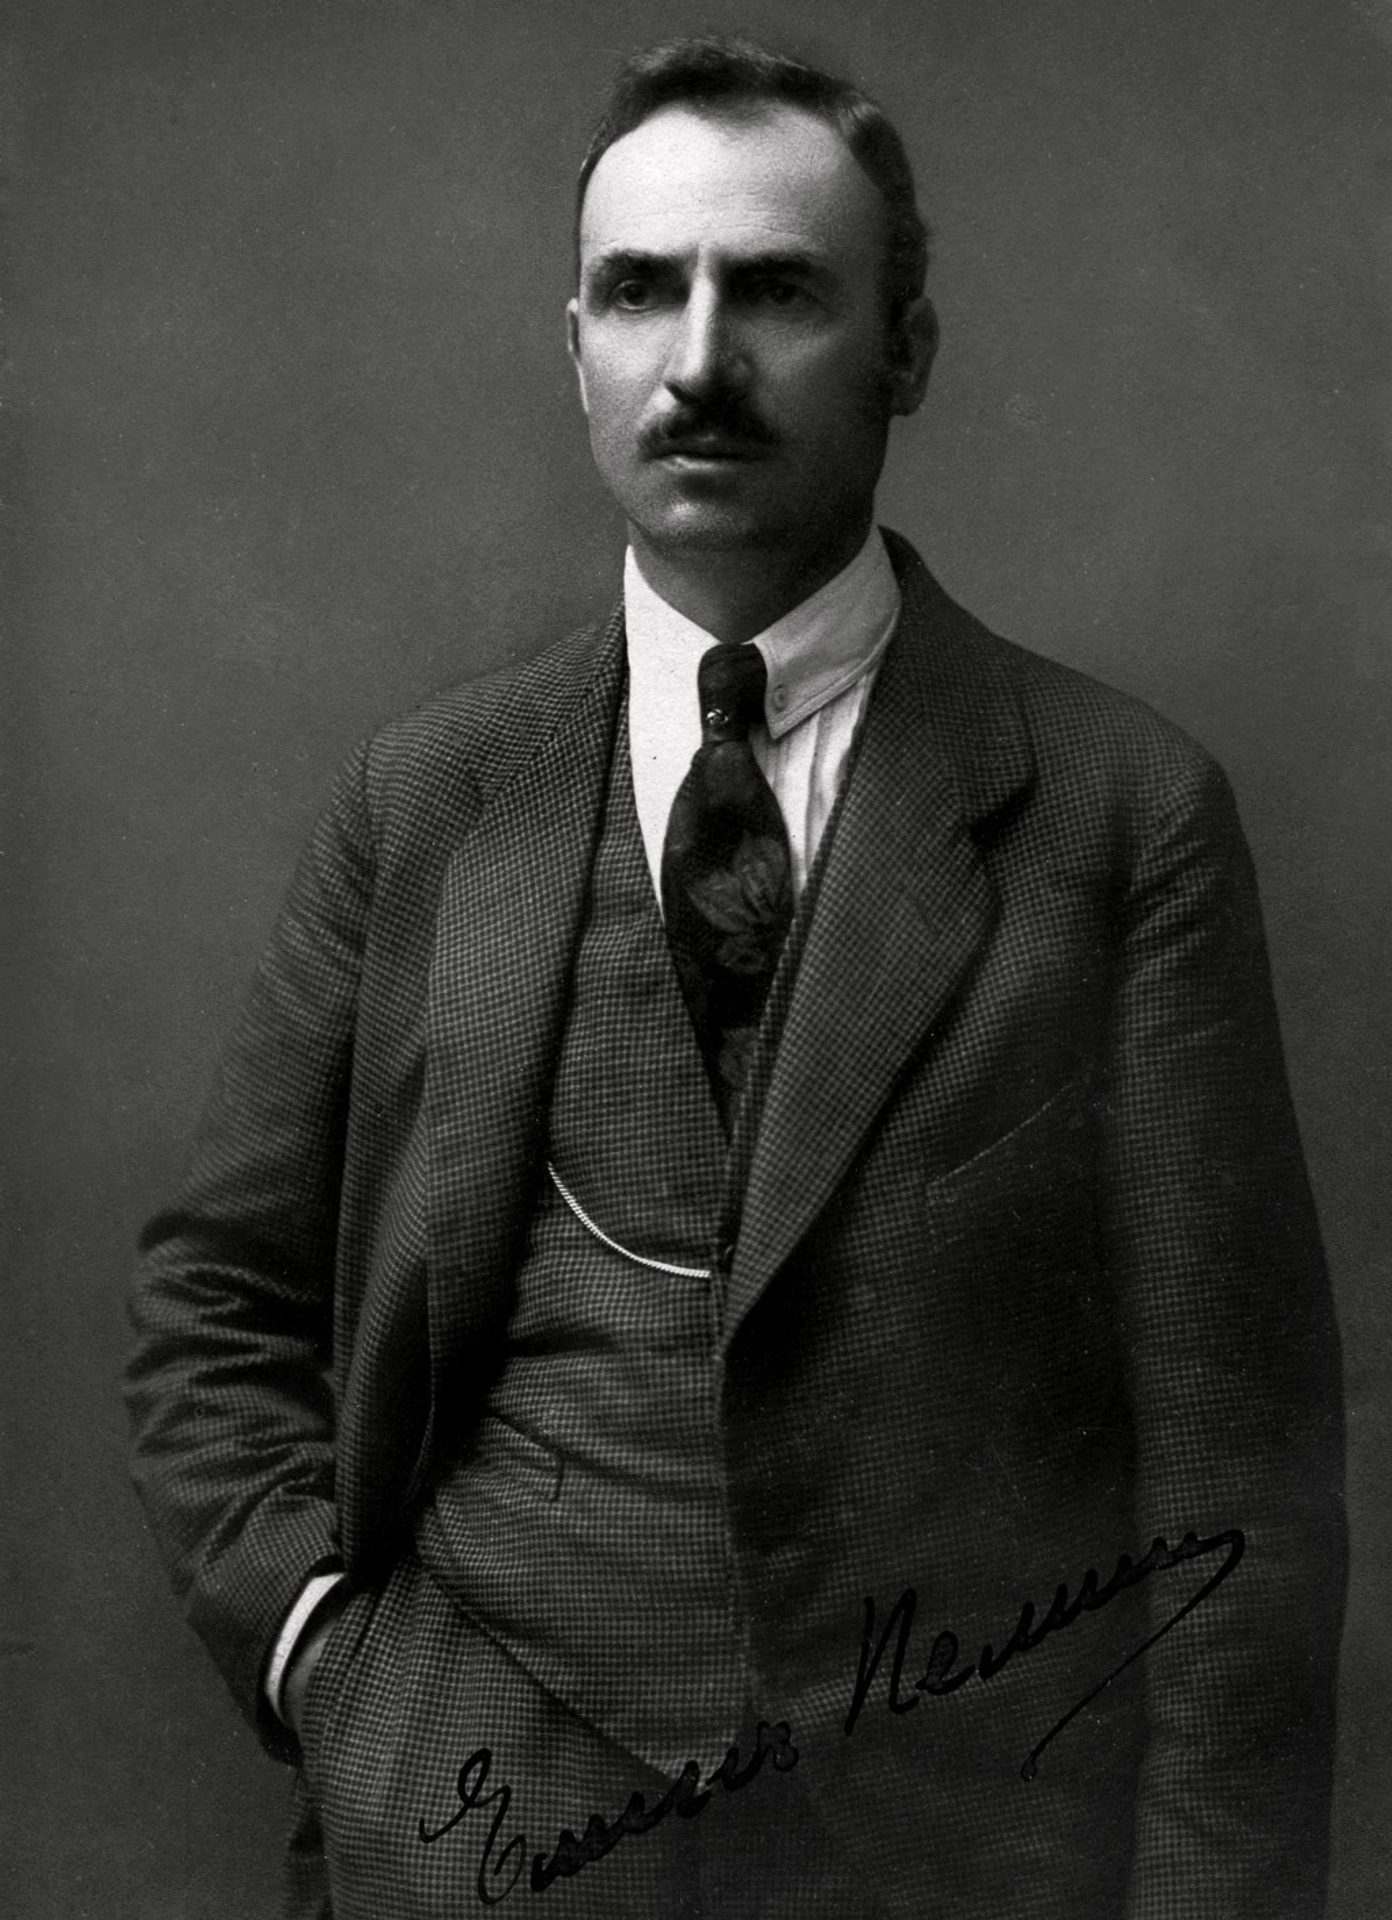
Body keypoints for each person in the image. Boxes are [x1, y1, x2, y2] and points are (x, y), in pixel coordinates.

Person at [125, 33, 1346, 1920]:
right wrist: (334, 1667)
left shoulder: (1120, 815)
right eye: (640, 291)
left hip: (960, 1860)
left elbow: (1236, 1480)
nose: (699, 362)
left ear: (905, 351)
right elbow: (214, 1306)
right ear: (577, 352)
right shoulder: (430, 800)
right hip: (468, 1845)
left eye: (775, 291)